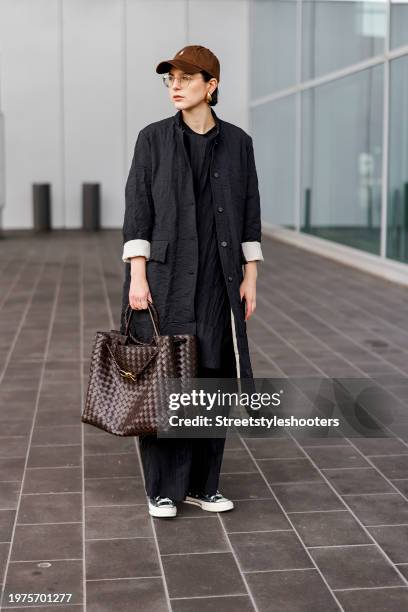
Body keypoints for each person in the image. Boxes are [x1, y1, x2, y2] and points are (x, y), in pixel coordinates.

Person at [120, 45, 264, 518]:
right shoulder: (153, 139)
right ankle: (162, 488)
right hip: (165, 280)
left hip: (218, 282)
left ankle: (204, 485)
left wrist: (251, 276)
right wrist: (136, 278)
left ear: (212, 85)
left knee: (212, 376)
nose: (175, 86)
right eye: (170, 79)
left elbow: (249, 212)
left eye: (185, 77)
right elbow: (138, 212)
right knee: (167, 379)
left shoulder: (239, 143)